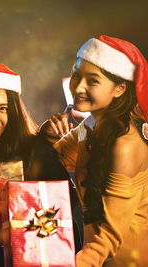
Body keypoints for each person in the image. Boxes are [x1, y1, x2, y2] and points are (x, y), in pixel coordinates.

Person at [0, 63, 82, 266]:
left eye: (3, 109)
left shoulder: (36, 149)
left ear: (14, 113)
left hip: (44, 253)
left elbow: (69, 201)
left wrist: (23, 211)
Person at [40, 35, 148, 266]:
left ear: (119, 89)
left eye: (93, 81)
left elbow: (109, 237)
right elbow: (54, 161)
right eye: (76, 74)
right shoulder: (91, 125)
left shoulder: (126, 144)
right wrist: (47, 136)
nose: (78, 87)